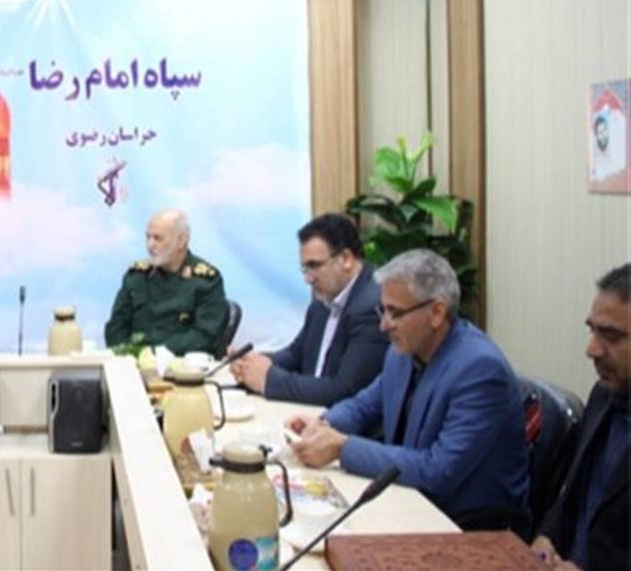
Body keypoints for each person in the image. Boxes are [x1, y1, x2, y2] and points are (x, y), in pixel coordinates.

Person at [285, 249, 529, 531]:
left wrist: (341, 447)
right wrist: (324, 424)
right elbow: (365, 405)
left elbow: (438, 470)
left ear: (436, 312)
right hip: (411, 500)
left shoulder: (480, 369)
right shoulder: (403, 351)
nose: (383, 325)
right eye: (383, 310)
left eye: (395, 313)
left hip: (467, 528)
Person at [230, 214, 388, 406]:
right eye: (305, 268)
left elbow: (344, 390)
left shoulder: (372, 308)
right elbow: (296, 355)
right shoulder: (324, 299)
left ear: (346, 259)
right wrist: (253, 364)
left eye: (314, 266)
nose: (308, 278)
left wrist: (267, 379)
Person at [533, 264, 629, 571]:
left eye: (611, 336)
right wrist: (547, 537)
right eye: (593, 330)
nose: (592, 350)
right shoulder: (604, 395)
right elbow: (573, 494)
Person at [104, 208, 228, 356]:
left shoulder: (206, 280)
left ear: (181, 241)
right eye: (148, 237)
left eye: (158, 238)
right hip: (134, 362)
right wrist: (128, 355)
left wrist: (155, 353)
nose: (150, 245)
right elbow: (115, 329)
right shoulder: (136, 276)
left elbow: (205, 336)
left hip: (182, 364)